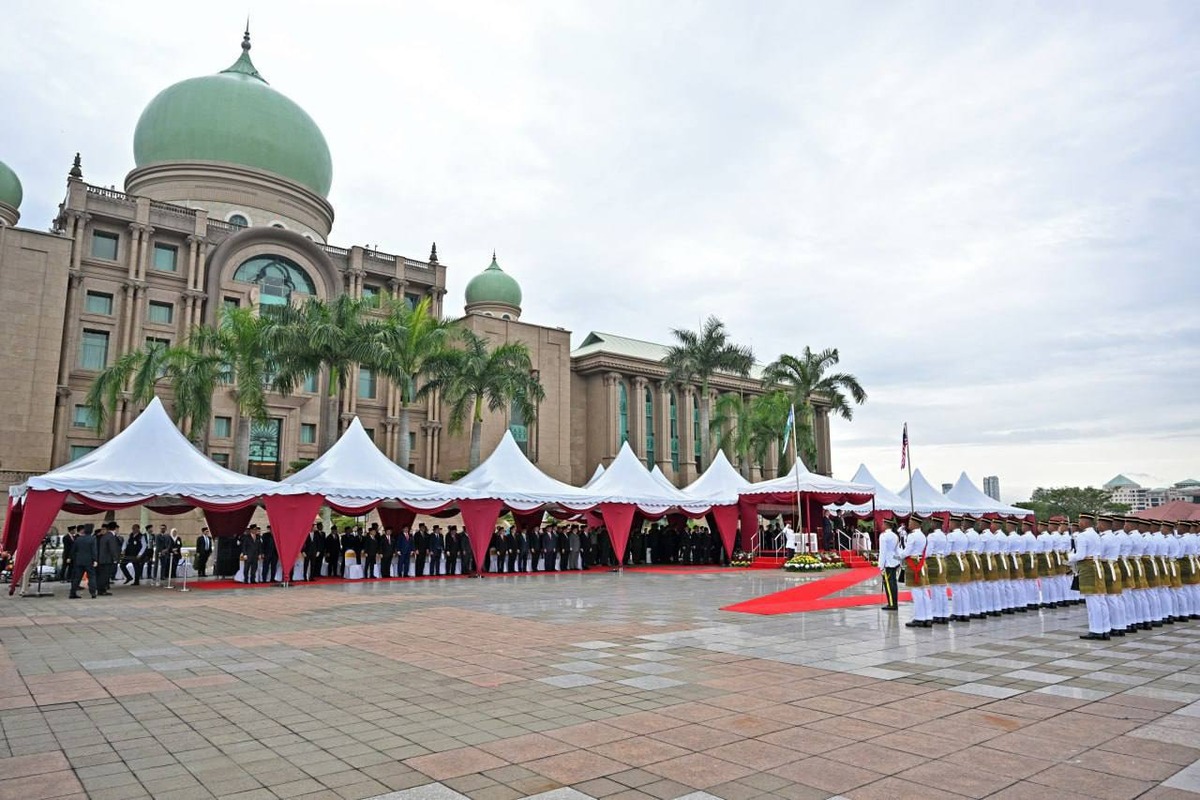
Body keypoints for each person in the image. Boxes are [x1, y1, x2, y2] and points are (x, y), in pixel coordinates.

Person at [1068, 513, 1109, 640]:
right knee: (1101, 600)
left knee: (1092, 601)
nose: (1079, 523)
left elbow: (1080, 555)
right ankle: (1105, 629)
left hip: (1088, 568)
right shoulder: (1097, 535)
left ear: (1086, 522)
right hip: (1097, 566)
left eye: (1080, 520)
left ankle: (1095, 630)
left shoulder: (1082, 536)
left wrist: (1070, 557)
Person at [902, 518, 931, 628]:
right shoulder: (923, 535)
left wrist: (898, 555)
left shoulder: (912, 536)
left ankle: (919, 618)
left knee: (917, 592)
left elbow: (907, 551)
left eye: (910, 522)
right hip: (921, 562)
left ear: (915, 523)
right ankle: (927, 617)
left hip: (913, 563)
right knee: (924, 591)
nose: (909, 524)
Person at [925, 517, 950, 624]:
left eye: (932, 522)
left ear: (935, 523)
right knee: (942, 590)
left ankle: (937, 615)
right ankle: (944, 614)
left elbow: (928, 552)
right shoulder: (944, 536)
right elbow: (947, 551)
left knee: (935, 590)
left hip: (934, 562)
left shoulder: (932, 536)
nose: (931, 524)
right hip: (942, 561)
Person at [69, 523, 98, 599]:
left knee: (77, 578)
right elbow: (94, 550)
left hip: (79, 561)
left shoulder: (78, 539)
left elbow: (73, 550)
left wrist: (72, 558)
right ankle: (93, 592)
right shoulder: (93, 539)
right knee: (91, 576)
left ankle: (72, 593)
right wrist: (95, 560)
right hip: (89, 561)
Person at [878, 522, 900, 611]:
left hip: (887, 563)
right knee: (893, 583)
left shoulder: (883, 536)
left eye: (883, 523)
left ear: (887, 525)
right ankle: (894, 602)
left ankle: (891, 604)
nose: (882, 525)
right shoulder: (895, 536)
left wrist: (881, 565)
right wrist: (899, 561)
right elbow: (897, 550)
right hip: (894, 562)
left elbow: (882, 552)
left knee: (888, 584)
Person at [96, 522, 121, 595]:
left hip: (102, 558)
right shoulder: (111, 537)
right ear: (115, 528)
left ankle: (100, 589)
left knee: (102, 575)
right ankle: (102, 590)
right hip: (107, 559)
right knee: (105, 575)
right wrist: (116, 558)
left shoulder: (105, 536)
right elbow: (113, 549)